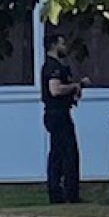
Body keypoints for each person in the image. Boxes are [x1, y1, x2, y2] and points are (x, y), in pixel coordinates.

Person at [41, 32, 90, 204]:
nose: (65, 47)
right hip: (57, 114)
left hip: (60, 112)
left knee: (58, 153)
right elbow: (55, 90)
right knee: (67, 153)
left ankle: (59, 192)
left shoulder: (60, 66)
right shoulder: (52, 67)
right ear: (54, 45)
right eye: (62, 43)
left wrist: (77, 88)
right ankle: (69, 193)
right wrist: (74, 86)